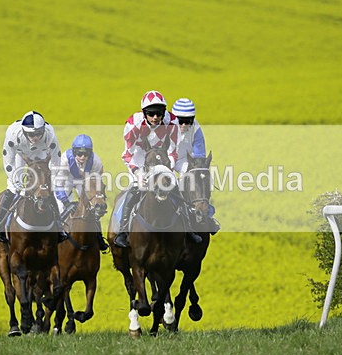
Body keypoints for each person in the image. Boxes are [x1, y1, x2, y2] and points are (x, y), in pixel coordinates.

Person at [114, 90, 201, 248]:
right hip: (140, 158)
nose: (155, 117)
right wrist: (139, 173)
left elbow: (173, 151)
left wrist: (166, 169)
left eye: (159, 113)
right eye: (151, 113)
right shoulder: (132, 124)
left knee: (175, 188)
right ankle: (123, 231)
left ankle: (189, 229)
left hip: (163, 158)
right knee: (136, 188)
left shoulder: (172, 121)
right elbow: (128, 154)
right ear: (144, 113)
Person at [0, 110, 67, 243]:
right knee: (13, 188)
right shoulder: (13, 134)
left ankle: (59, 227)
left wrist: (52, 180)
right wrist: (15, 181)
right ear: (24, 131)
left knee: (49, 190)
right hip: (20, 154)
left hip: (42, 154)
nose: (35, 137)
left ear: (42, 130)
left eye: (38, 133)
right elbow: (8, 161)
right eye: (31, 134)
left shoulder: (49, 134)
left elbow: (56, 160)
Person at [171, 97, 220, 233]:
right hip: (165, 159)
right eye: (181, 121)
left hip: (183, 161)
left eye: (188, 122)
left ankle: (204, 212)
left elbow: (199, 156)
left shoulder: (196, 128)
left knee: (197, 177)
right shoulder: (165, 125)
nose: (184, 126)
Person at [54, 134, 108, 251]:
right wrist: (67, 204)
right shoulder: (64, 159)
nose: (83, 157)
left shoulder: (96, 162)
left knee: (92, 207)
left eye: (86, 154)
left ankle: (98, 237)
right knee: (59, 207)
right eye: (79, 154)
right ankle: (54, 237)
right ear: (74, 152)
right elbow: (58, 186)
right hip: (66, 180)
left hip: (84, 181)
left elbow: (95, 185)